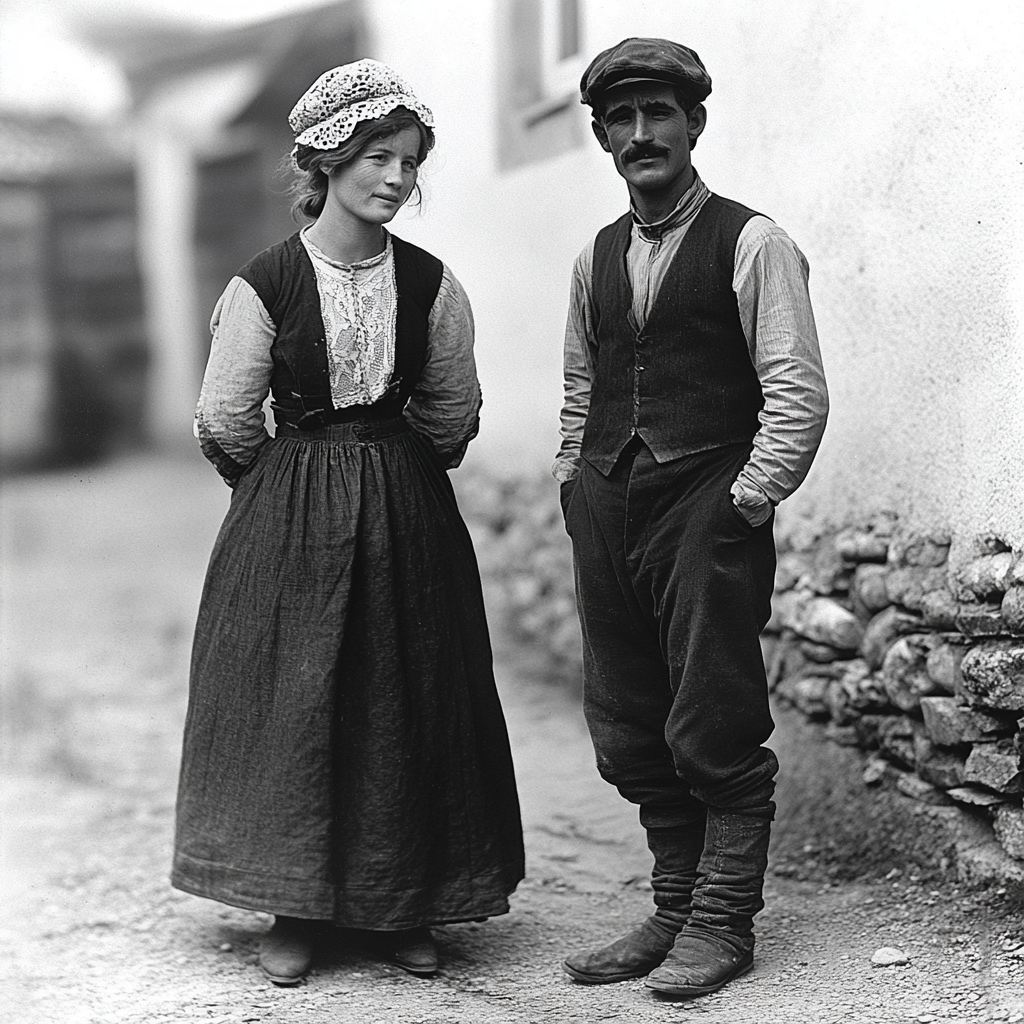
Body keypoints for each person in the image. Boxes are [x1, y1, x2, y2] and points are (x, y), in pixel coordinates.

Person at [172, 59, 524, 985]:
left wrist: (391, 478)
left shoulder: (433, 285)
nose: (397, 180)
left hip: (407, 509)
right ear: (325, 159)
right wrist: (289, 488)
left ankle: (397, 904)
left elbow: (451, 411)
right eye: (377, 157)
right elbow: (224, 417)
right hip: (287, 513)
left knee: (406, 696)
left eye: (410, 162)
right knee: (297, 700)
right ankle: (295, 908)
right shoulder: (266, 285)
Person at [555, 38, 828, 998]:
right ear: (600, 136)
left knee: (711, 711)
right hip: (609, 501)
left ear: (694, 124)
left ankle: (721, 921)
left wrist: (744, 500)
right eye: (621, 120)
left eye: (658, 114)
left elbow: (795, 391)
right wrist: (572, 483)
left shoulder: (752, 242)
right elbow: (581, 383)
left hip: (706, 502)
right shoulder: (596, 256)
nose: (641, 135)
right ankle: (673, 907)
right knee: (627, 717)